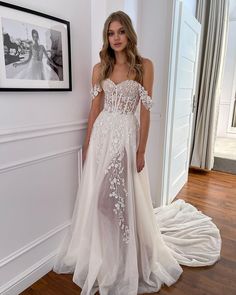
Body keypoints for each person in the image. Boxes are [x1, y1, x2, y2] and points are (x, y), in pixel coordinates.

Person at [53, 11, 221, 295]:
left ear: (129, 33)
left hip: (127, 137)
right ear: (106, 37)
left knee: (115, 198)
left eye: (120, 31)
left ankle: (131, 256)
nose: (115, 38)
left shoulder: (144, 66)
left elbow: (145, 113)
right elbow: (95, 109)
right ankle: (112, 255)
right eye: (110, 33)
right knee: (100, 200)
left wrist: (141, 151)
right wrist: (87, 142)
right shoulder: (100, 68)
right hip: (103, 136)